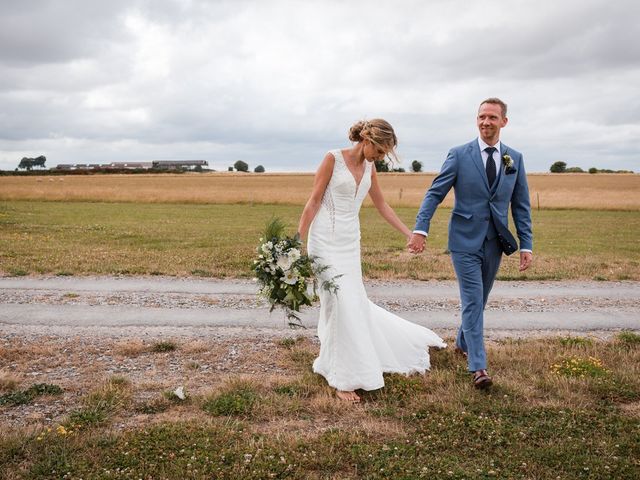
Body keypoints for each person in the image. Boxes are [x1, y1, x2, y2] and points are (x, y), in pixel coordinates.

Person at [297, 119, 446, 403]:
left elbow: (382, 204)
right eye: (379, 151)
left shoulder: (370, 167)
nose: (380, 158)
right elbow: (313, 201)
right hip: (324, 242)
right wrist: (296, 240)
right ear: (366, 140)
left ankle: (340, 358)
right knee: (339, 302)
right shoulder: (332, 159)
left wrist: (410, 234)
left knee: (351, 302)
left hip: (350, 242)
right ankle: (343, 377)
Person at [407, 98, 533, 389]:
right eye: (481, 117)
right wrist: (420, 229)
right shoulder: (459, 154)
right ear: (476, 120)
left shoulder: (514, 158)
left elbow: (521, 205)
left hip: (495, 242)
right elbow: (434, 193)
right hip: (464, 240)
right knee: (474, 299)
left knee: (480, 301)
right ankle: (478, 366)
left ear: (504, 122)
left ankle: (462, 342)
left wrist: (526, 245)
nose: (485, 122)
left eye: (492, 117)